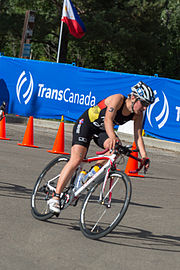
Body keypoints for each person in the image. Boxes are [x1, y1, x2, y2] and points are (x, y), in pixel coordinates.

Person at [48, 81, 155, 213]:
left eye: (147, 105)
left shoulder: (138, 114)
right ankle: (56, 196)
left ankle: (87, 177)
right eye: (143, 104)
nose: (145, 108)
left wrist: (144, 156)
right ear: (133, 97)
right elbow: (108, 120)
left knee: (116, 151)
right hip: (86, 124)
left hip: (101, 131)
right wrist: (112, 137)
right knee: (77, 159)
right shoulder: (118, 99)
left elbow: (138, 136)